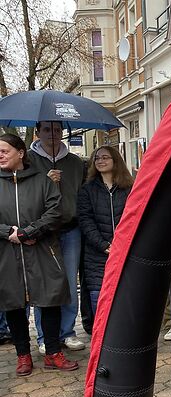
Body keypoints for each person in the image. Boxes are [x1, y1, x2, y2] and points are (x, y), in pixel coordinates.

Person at [0, 132, 79, 376]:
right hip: (7, 253)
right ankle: (23, 355)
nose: (0, 155)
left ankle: (53, 352)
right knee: (13, 303)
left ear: (21, 153)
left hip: (42, 249)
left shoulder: (41, 181)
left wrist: (29, 232)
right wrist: (8, 232)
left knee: (50, 299)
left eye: (5, 151)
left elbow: (55, 211)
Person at [29, 121, 85, 353]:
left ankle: (67, 331)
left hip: (70, 229)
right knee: (45, 286)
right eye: (46, 130)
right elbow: (24, 196)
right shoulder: (29, 161)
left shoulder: (75, 162)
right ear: (38, 132)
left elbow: (82, 193)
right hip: (43, 232)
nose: (52, 135)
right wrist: (45, 182)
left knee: (70, 283)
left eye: (57, 130)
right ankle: (44, 337)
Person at [77, 146, 133, 315]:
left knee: (125, 294)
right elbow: (85, 220)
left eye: (105, 157)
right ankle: (102, 338)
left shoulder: (129, 188)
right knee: (98, 296)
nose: (100, 161)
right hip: (98, 253)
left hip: (126, 250)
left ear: (115, 160)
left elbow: (134, 216)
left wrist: (125, 242)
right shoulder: (87, 190)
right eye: (97, 158)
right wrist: (103, 244)